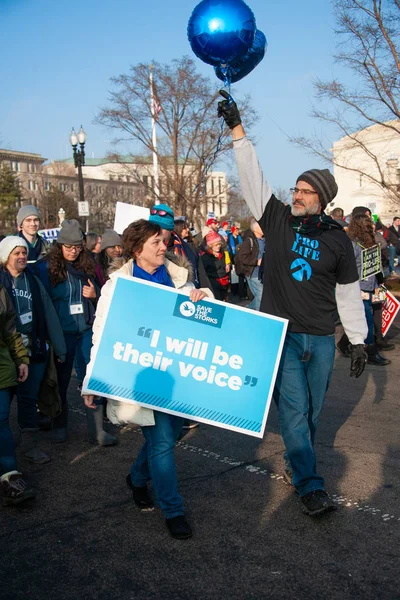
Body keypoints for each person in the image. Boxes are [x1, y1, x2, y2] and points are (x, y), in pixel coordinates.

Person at [218, 90, 368, 516]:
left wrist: (357, 339)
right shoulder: (279, 218)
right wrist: (237, 130)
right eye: (296, 188)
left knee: (313, 412)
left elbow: (347, 294)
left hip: (321, 339)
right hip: (282, 335)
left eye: (305, 191)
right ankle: (310, 483)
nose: (296, 194)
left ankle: (296, 462)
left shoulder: (338, 239)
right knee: (295, 410)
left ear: (322, 198)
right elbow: (252, 176)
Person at [82, 219, 213, 539]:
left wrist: (201, 297)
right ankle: (173, 510)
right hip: (139, 375)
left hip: (176, 375)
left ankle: (138, 478)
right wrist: (91, 379)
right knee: (163, 441)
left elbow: (205, 321)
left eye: (163, 241)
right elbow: (101, 333)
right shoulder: (116, 286)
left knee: (172, 434)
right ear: (137, 250)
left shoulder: (179, 278)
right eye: (156, 242)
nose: (163, 246)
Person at [34, 220, 115, 446]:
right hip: (62, 334)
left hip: (87, 331)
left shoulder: (88, 264)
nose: (73, 251)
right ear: (59, 245)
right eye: (68, 246)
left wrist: (95, 294)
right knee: (60, 380)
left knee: (92, 378)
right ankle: (60, 426)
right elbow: (41, 304)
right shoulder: (45, 268)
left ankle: (98, 431)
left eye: (77, 246)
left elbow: (106, 293)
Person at [0, 237, 67, 463]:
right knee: (5, 401)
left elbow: (48, 313)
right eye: (16, 253)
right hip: (7, 351)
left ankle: (30, 446)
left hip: (34, 348)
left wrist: (59, 347)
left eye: (23, 252)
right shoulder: (1, 281)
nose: (21, 256)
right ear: (5, 257)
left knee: (29, 398)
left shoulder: (34, 281)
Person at [337, 215, 391, 366]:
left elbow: (376, 265)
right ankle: (371, 352)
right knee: (367, 321)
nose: (372, 226)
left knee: (368, 318)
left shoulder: (371, 242)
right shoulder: (353, 245)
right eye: (369, 224)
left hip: (372, 286)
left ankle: (343, 343)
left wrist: (381, 286)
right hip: (359, 289)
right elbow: (346, 267)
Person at [0, 283, 33, 506]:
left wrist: (21, 358)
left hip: (2, 367)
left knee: (1, 420)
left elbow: (10, 327)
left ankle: (10, 476)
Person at [240, 219, 265, 311]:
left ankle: (248, 308)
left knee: (262, 295)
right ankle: (259, 317)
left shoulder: (264, 240)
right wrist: (256, 261)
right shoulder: (249, 241)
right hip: (253, 273)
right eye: (261, 226)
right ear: (255, 229)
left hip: (262, 274)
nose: (263, 228)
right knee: (261, 295)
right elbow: (242, 257)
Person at [200, 231, 230, 301]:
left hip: (224, 283)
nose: (218, 246)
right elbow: (203, 273)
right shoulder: (205, 258)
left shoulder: (222, 253)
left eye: (219, 244)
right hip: (213, 285)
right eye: (216, 245)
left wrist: (227, 264)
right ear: (210, 245)